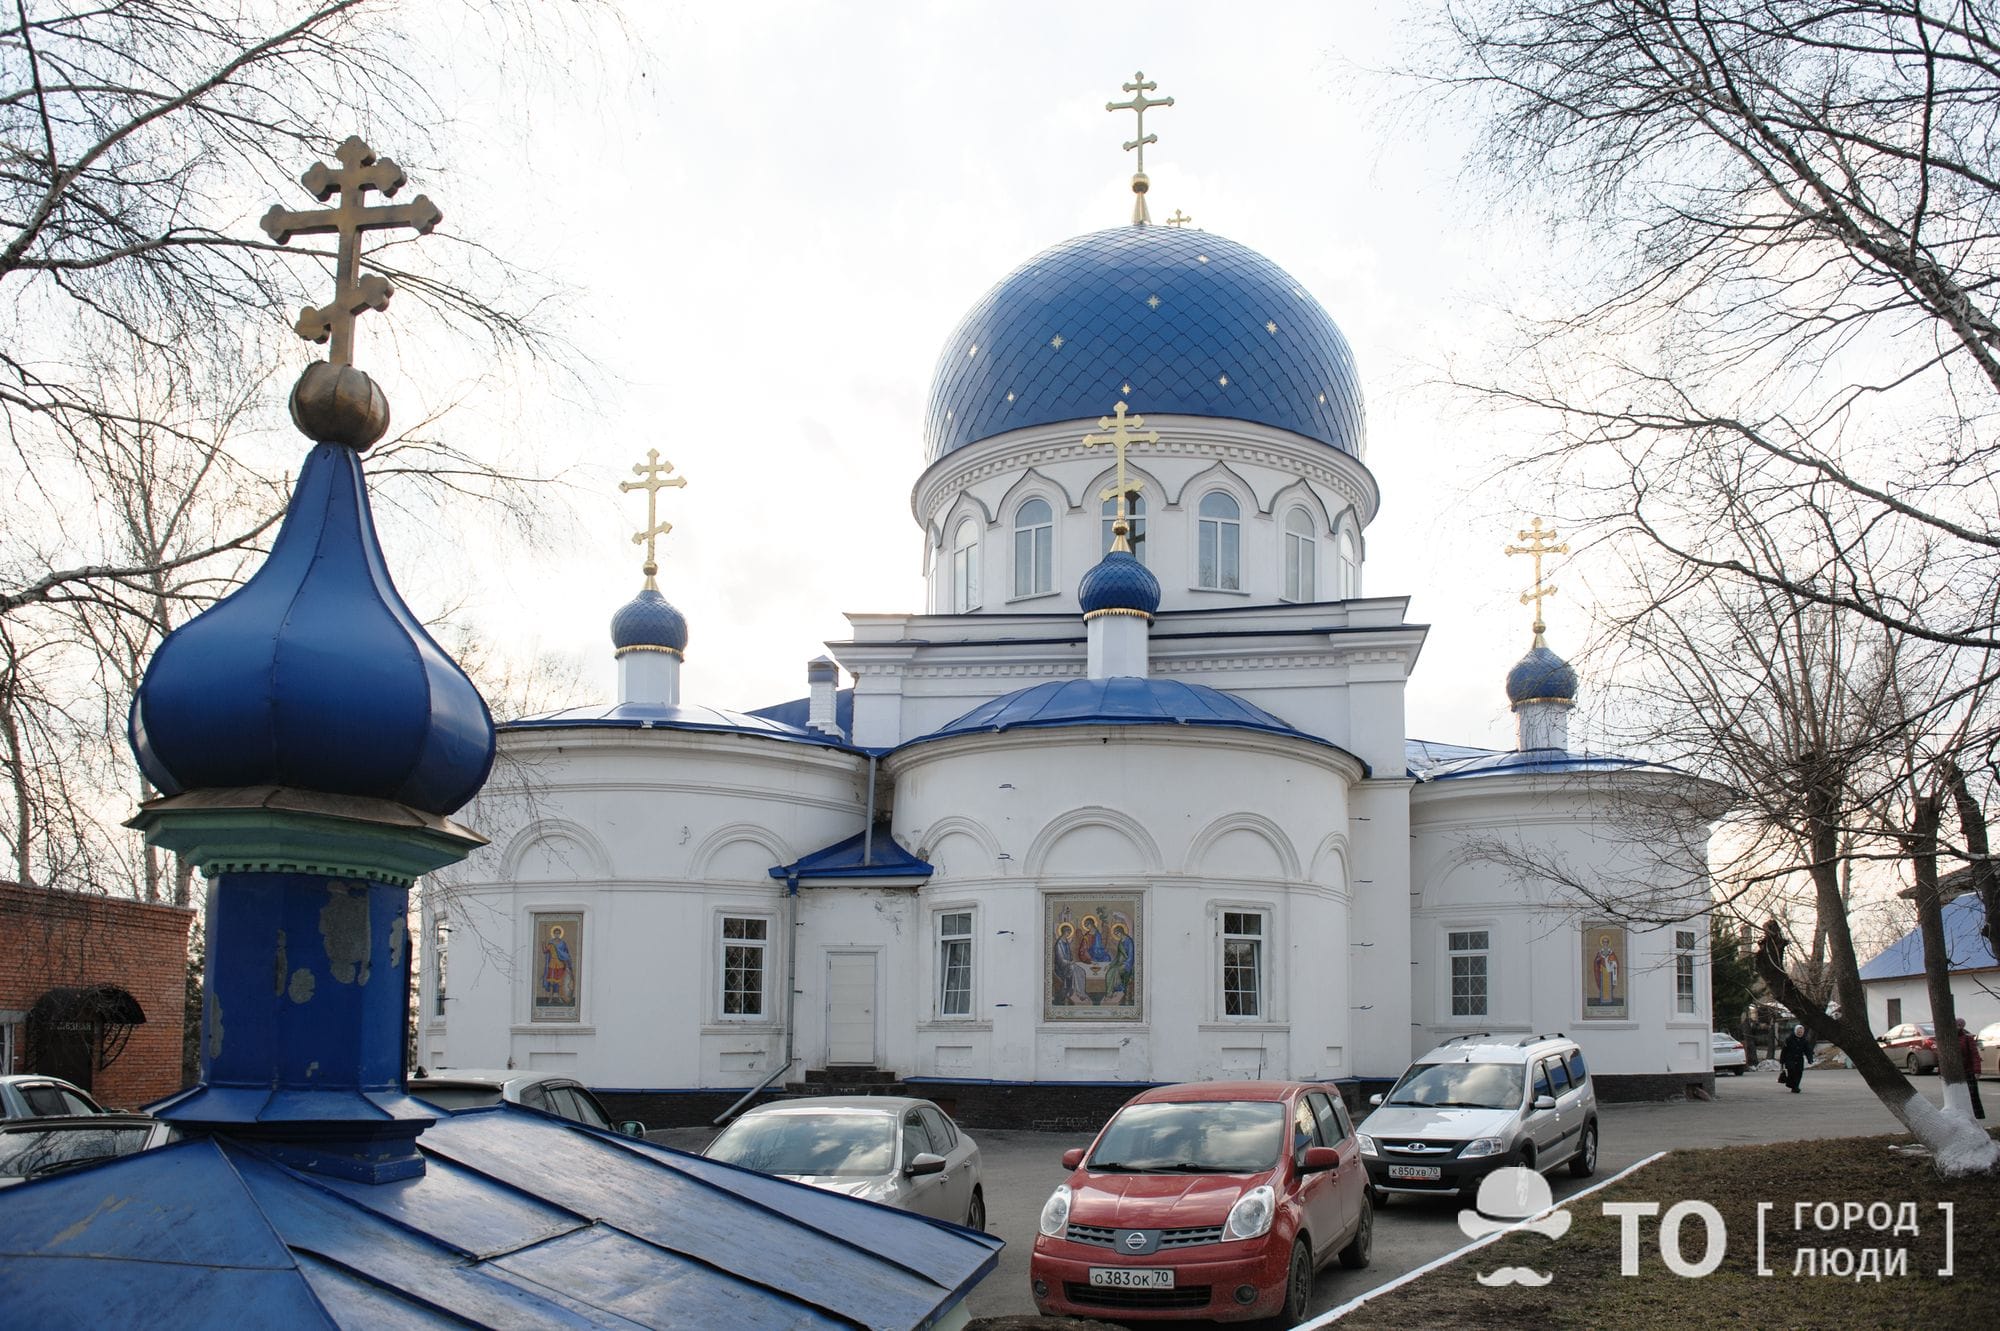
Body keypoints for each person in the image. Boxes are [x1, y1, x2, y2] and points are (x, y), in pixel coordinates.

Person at [1956, 1018, 1987, 1120]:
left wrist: (1977, 1070)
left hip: (1968, 1071)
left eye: (1959, 1025)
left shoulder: (1967, 1039)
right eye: (1956, 1025)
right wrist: (1940, 1071)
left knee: (1972, 1095)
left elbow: (1975, 1055)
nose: (1957, 1027)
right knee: (1958, 1097)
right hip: (1955, 1073)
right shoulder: (1949, 1039)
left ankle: (1975, 1117)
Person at [1779, 1023, 1813, 1093]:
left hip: (1799, 1059)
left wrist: (1810, 1059)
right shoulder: (1789, 1039)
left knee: (1799, 1072)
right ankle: (1792, 1085)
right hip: (1790, 1058)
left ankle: (1796, 1087)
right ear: (1795, 1031)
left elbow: (1808, 1050)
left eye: (1801, 1032)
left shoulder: (1804, 1041)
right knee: (1792, 1071)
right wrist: (1782, 1060)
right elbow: (1784, 1050)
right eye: (1798, 1032)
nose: (1800, 1033)